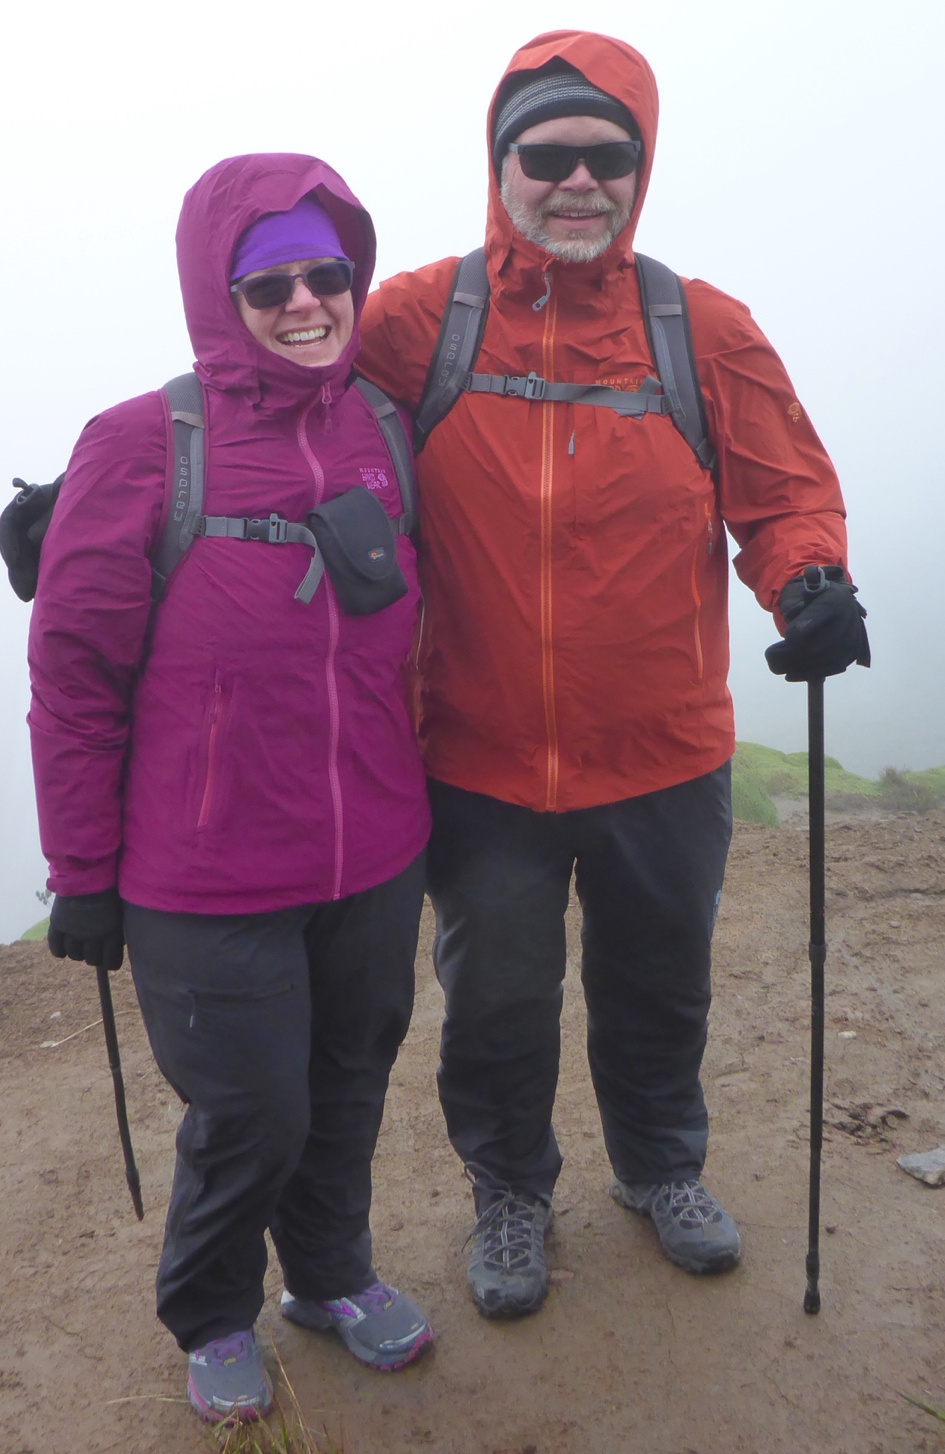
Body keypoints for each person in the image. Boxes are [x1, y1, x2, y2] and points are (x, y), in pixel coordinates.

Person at [357, 31, 870, 1319]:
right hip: (474, 751)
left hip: (663, 749)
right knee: (497, 999)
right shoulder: (418, 321)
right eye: (549, 155)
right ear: (500, 163)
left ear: (642, 171)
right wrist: (113, 495)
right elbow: (277, 412)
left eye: (610, 157)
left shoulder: (700, 327)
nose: (579, 181)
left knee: (657, 981)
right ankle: (511, 1192)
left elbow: (785, 493)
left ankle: (658, 1166)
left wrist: (808, 580)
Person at [28, 153, 434, 1424]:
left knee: (351, 1082)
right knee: (253, 1109)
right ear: (220, 291)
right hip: (202, 874)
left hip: (373, 846)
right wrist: (83, 873)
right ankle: (210, 1311)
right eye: (272, 283)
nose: (308, 302)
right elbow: (76, 675)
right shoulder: (144, 441)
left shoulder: (382, 426)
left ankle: (329, 1276)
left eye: (328, 275)